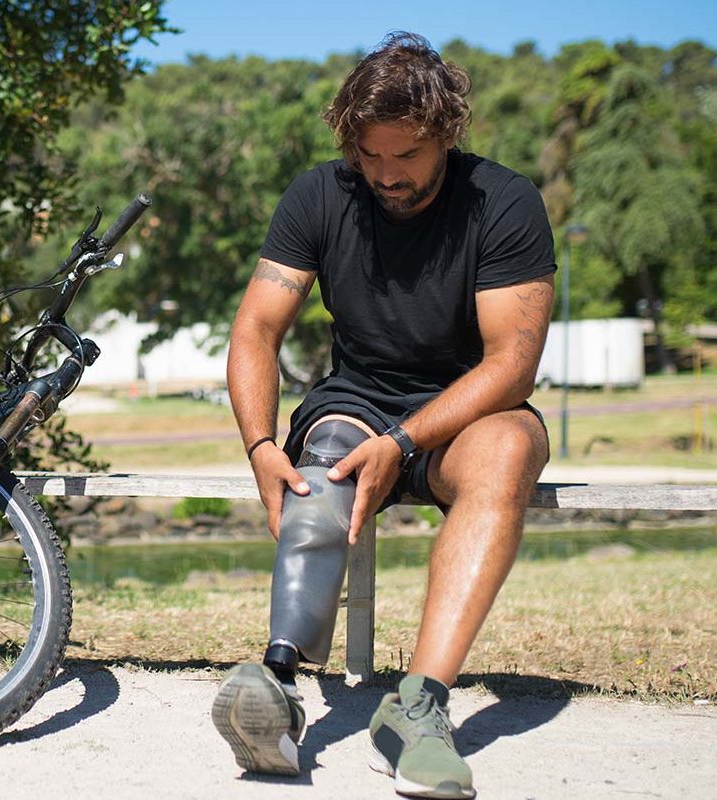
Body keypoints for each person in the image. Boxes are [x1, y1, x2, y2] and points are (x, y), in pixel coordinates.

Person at [210, 32, 555, 800]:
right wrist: (262, 445)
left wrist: (407, 441)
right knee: (322, 456)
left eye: (406, 158)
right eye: (371, 157)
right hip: (358, 400)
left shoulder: (504, 202)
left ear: (448, 134)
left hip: (469, 408)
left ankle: (418, 709)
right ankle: (280, 686)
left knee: (506, 453)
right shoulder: (318, 195)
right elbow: (255, 329)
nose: (386, 176)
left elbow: (512, 364)